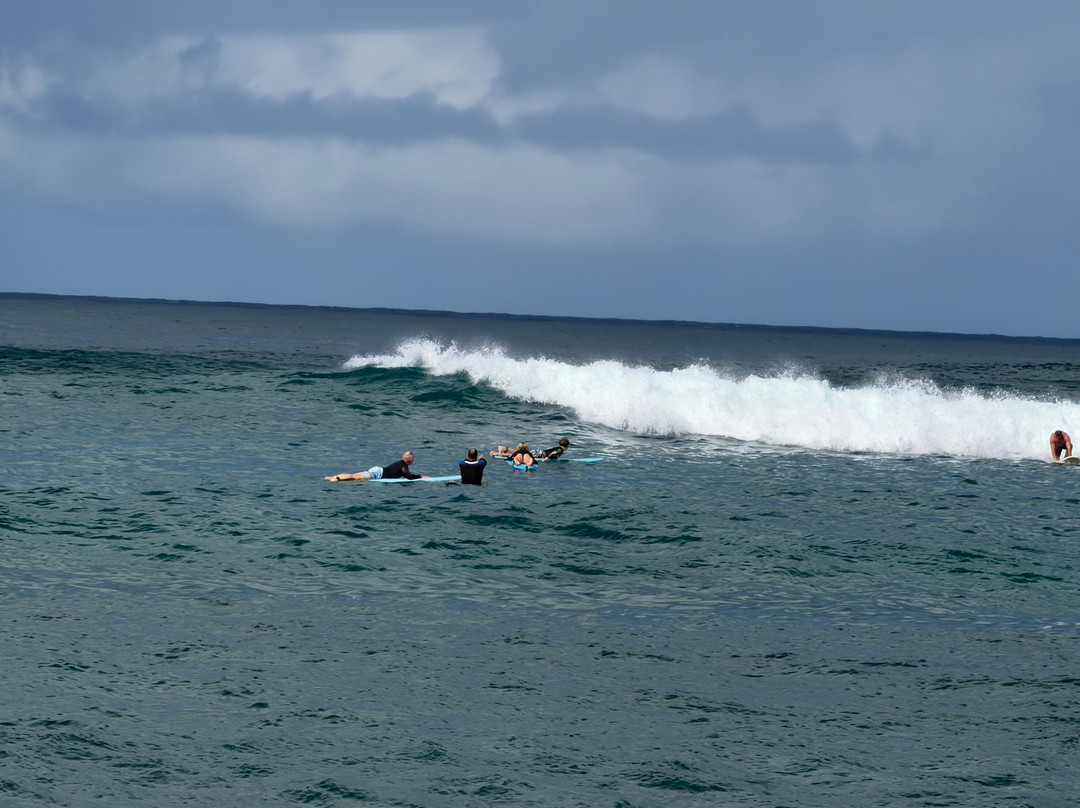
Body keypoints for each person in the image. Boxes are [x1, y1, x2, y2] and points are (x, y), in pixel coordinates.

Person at [325, 451, 426, 481]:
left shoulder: (401, 463)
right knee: (355, 476)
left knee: (355, 477)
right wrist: (420, 476)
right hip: (377, 474)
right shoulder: (403, 464)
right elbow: (408, 476)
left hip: (377, 471)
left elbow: (405, 475)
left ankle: (333, 477)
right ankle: (337, 478)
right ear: (411, 459)